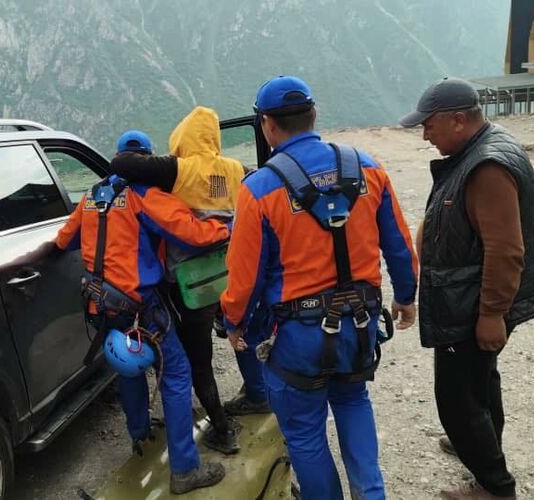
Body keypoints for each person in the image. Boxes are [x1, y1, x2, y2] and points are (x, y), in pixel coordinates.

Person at [221, 75, 418, 500]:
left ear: (267, 125)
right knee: (352, 399)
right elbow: (399, 244)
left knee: (304, 431)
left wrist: (233, 322)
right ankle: (371, 494)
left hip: (298, 336)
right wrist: (406, 296)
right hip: (359, 323)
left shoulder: (258, 189)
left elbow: (244, 276)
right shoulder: (367, 167)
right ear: (314, 115)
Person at [399, 78, 534, 500]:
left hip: (474, 303)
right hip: (471, 295)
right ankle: (479, 441)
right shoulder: (479, 148)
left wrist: (491, 314)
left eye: (428, 125)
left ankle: (493, 486)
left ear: (457, 120)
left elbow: (505, 249)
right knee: (480, 381)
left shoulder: (486, 167)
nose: (425, 134)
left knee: (457, 397)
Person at [56, 132, 231, 493]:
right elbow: (192, 233)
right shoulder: (144, 195)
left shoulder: (92, 196)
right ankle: (185, 470)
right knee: (176, 373)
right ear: (147, 161)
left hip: (100, 302)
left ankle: (139, 432)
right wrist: (226, 226)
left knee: (127, 364)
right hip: (140, 303)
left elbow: (64, 241)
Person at [107, 108, 247, 452]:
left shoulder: (180, 170)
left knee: (193, 362)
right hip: (220, 276)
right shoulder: (235, 169)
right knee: (219, 341)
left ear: (182, 137)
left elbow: (121, 163)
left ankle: (222, 431)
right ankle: (255, 396)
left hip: (186, 284)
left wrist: (167, 162)